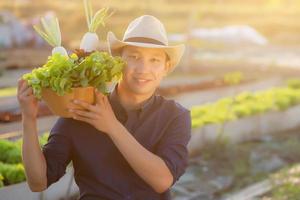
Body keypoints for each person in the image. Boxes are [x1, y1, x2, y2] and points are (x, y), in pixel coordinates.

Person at [17, 15, 191, 200]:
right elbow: (38, 183)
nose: (143, 68)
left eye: (154, 60)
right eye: (134, 56)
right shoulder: (82, 107)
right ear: (118, 61)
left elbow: (162, 181)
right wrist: (28, 118)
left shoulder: (175, 116)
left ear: (166, 67)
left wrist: (112, 126)